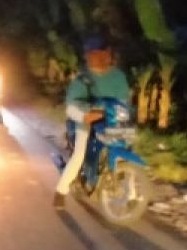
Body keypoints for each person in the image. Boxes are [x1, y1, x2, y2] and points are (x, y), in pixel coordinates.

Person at [53, 35, 131, 209]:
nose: (98, 58)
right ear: (88, 56)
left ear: (108, 54)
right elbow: (71, 105)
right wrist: (85, 116)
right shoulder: (83, 79)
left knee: (125, 150)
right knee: (79, 154)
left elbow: (124, 101)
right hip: (86, 121)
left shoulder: (118, 77)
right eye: (93, 54)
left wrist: (123, 116)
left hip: (113, 120)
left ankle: (131, 193)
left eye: (102, 53)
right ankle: (60, 191)